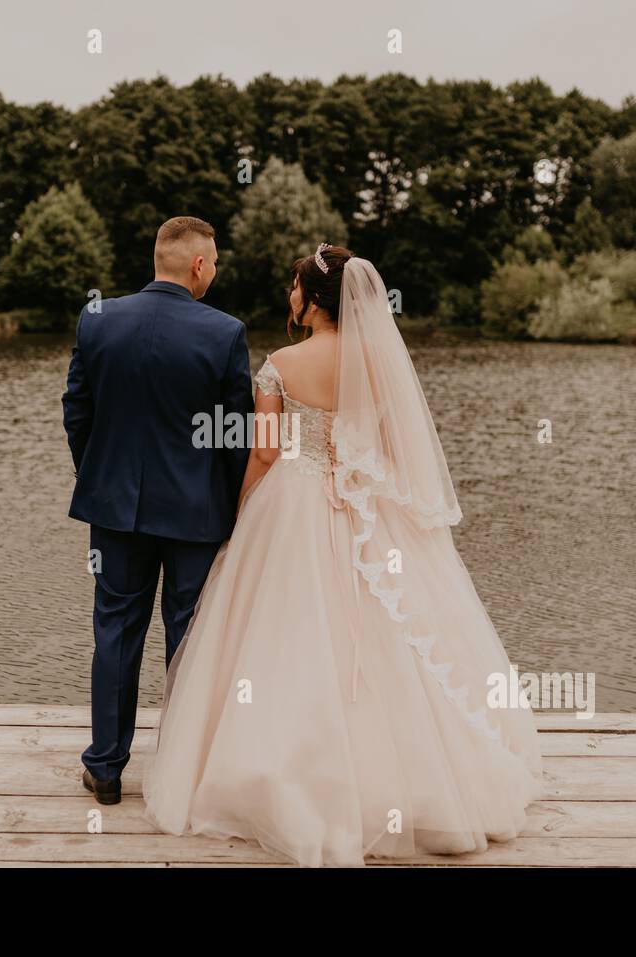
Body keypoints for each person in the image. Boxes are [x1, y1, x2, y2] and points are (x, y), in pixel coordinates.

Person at [141, 244, 544, 865]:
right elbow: (389, 445)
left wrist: (242, 515)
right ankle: (417, 778)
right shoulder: (377, 364)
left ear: (311, 300)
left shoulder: (279, 364)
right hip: (362, 504)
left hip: (293, 502)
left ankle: (279, 767)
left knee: (284, 633)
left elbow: (267, 453)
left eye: (293, 288)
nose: (288, 297)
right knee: (390, 632)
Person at [62, 215, 252, 806]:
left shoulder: (99, 319)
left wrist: (97, 475)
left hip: (113, 509)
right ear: (198, 265)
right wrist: (231, 509)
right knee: (189, 637)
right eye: (215, 261)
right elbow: (233, 435)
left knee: (115, 630)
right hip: (195, 514)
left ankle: (107, 768)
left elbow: (76, 411)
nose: (215, 271)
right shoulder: (224, 333)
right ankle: (181, 768)